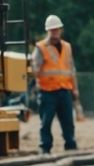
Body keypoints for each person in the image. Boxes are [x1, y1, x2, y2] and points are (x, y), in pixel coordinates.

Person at [32, 15, 79, 154]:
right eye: (52, 30)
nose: (55, 32)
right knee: (46, 122)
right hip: (47, 91)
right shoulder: (40, 47)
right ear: (48, 31)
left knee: (68, 122)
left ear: (60, 30)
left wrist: (75, 89)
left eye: (57, 29)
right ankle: (45, 147)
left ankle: (70, 145)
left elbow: (71, 70)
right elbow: (35, 68)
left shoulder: (67, 47)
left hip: (64, 90)